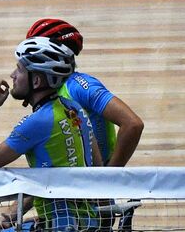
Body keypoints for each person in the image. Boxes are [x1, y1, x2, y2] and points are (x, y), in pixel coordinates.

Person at [0, 37, 102, 232]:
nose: (13, 75)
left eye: (19, 69)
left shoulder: (37, 122)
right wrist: (15, 213)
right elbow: (90, 166)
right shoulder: (73, 109)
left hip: (64, 231)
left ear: (36, 81)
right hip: (76, 219)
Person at [25, 18, 145, 167]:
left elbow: (132, 124)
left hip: (95, 180)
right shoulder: (42, 87)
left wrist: (111, 175)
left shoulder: (80, 86)